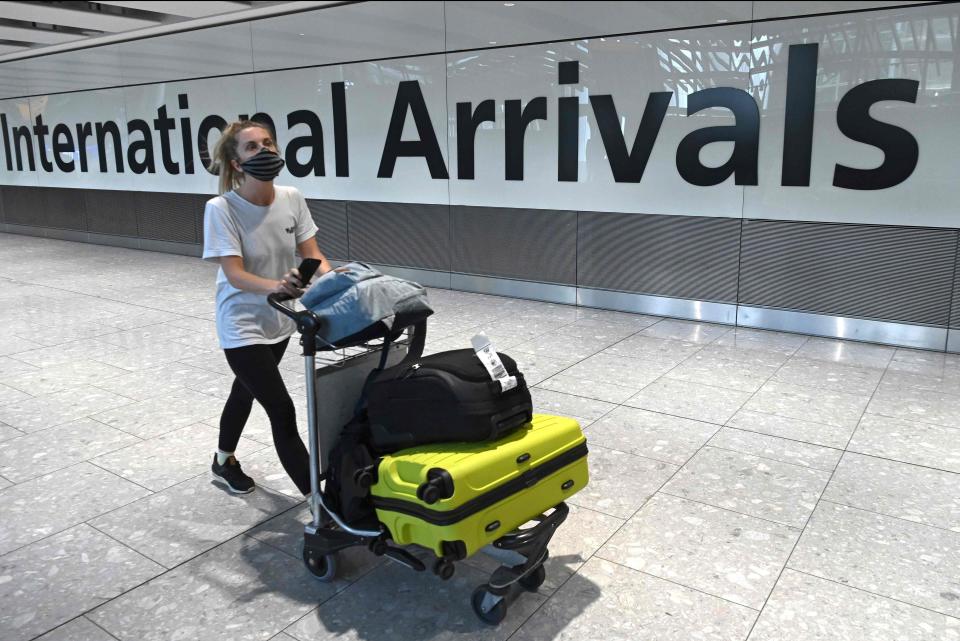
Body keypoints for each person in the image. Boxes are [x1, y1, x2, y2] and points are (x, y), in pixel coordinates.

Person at [201, 119, 339, 495]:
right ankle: (319, 502)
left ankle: (222, 459)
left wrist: (337, 280)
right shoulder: (221, 209)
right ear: (236, 163)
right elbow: (235, 274)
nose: (265, 151)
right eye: (252, 147)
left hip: (279, 319)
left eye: (268, 143)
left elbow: (313, 255)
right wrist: (279, 286)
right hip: (241, 323)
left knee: (245, 390)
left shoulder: (291, 197)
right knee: (281, 409)